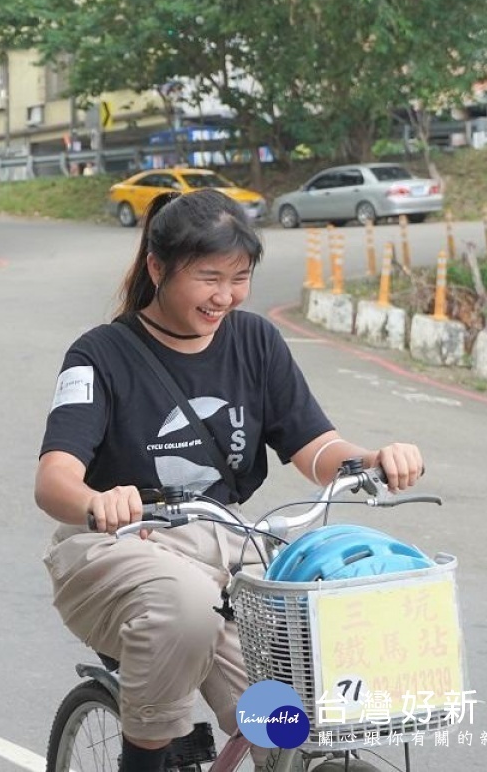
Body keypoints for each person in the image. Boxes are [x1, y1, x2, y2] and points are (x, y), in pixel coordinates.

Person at [34, 190, 425, 772]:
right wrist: (98, 500)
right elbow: (54, 478)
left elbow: (313, 445)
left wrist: (369, 459)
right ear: (157, 269)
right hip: (118, 546)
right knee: (186, 608)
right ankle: (144, 759)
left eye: (239, 278)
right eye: (208, 277)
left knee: (287, 715)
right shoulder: (99, 354)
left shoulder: (255, 341)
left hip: (225, 546)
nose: (225, 296)